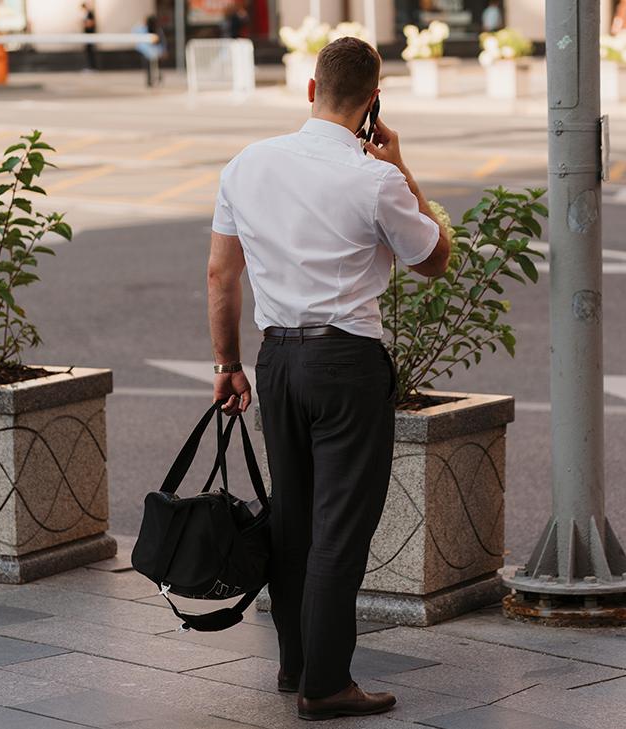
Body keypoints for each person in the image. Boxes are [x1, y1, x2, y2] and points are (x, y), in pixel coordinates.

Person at [206, 37, 450, 722]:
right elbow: (434, 257)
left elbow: (222, 276)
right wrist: (399, 163)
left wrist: (227, 364)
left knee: (293, 519)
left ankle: (295, 665)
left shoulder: (248, 164)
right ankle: (327, 682)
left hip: (276, 359)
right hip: (345, 365)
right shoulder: (375, 178)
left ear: (310, 90)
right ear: (374, 101)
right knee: (341, 525)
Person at [135, 15, 166, 88]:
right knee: (151, 67)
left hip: (154, 51)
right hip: (148, 52)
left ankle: (155, 79)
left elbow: (161, 41)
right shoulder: (143, 29)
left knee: (155, 67)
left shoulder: (157, 30)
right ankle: (152, 80)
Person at [81, 2, 97, 71]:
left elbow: (91, 24)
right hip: (87, 36)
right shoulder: (86, 14)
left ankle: (92, 67)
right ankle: (89, 67)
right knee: (88, 51)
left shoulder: (90, 13)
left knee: (91, 51)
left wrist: (84, 23)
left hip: (90, 36)